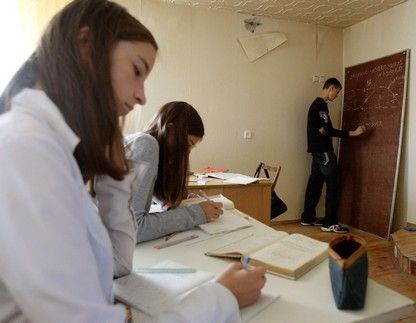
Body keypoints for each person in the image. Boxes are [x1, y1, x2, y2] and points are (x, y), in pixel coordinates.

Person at [0, 1, 265, 322]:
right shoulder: (25, 150)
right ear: (85, 47)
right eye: (137, 71)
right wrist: (221, 297)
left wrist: (115, 180)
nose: (142, 96)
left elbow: (117, 266)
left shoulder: (51, 148)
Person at [96, 101, 223, 251]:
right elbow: (132, 229)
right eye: (188, 144)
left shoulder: (142, 143)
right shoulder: (147, 145)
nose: (188, 152)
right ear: (170, 130)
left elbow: (138, 191)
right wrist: (197, 213)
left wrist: (164, 200)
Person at [300, 77, 365, 233]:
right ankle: (330, 223)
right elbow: (328, 130)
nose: (336, 96)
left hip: (316, 151)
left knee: (315, 183)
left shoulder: (315, 105)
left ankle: (307, 217)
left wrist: (324, 130)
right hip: (324, 151)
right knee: (333, 185)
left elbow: (323, 129)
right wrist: (353, 133)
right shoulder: (321, 105)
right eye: (337, 92)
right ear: (330, 88)